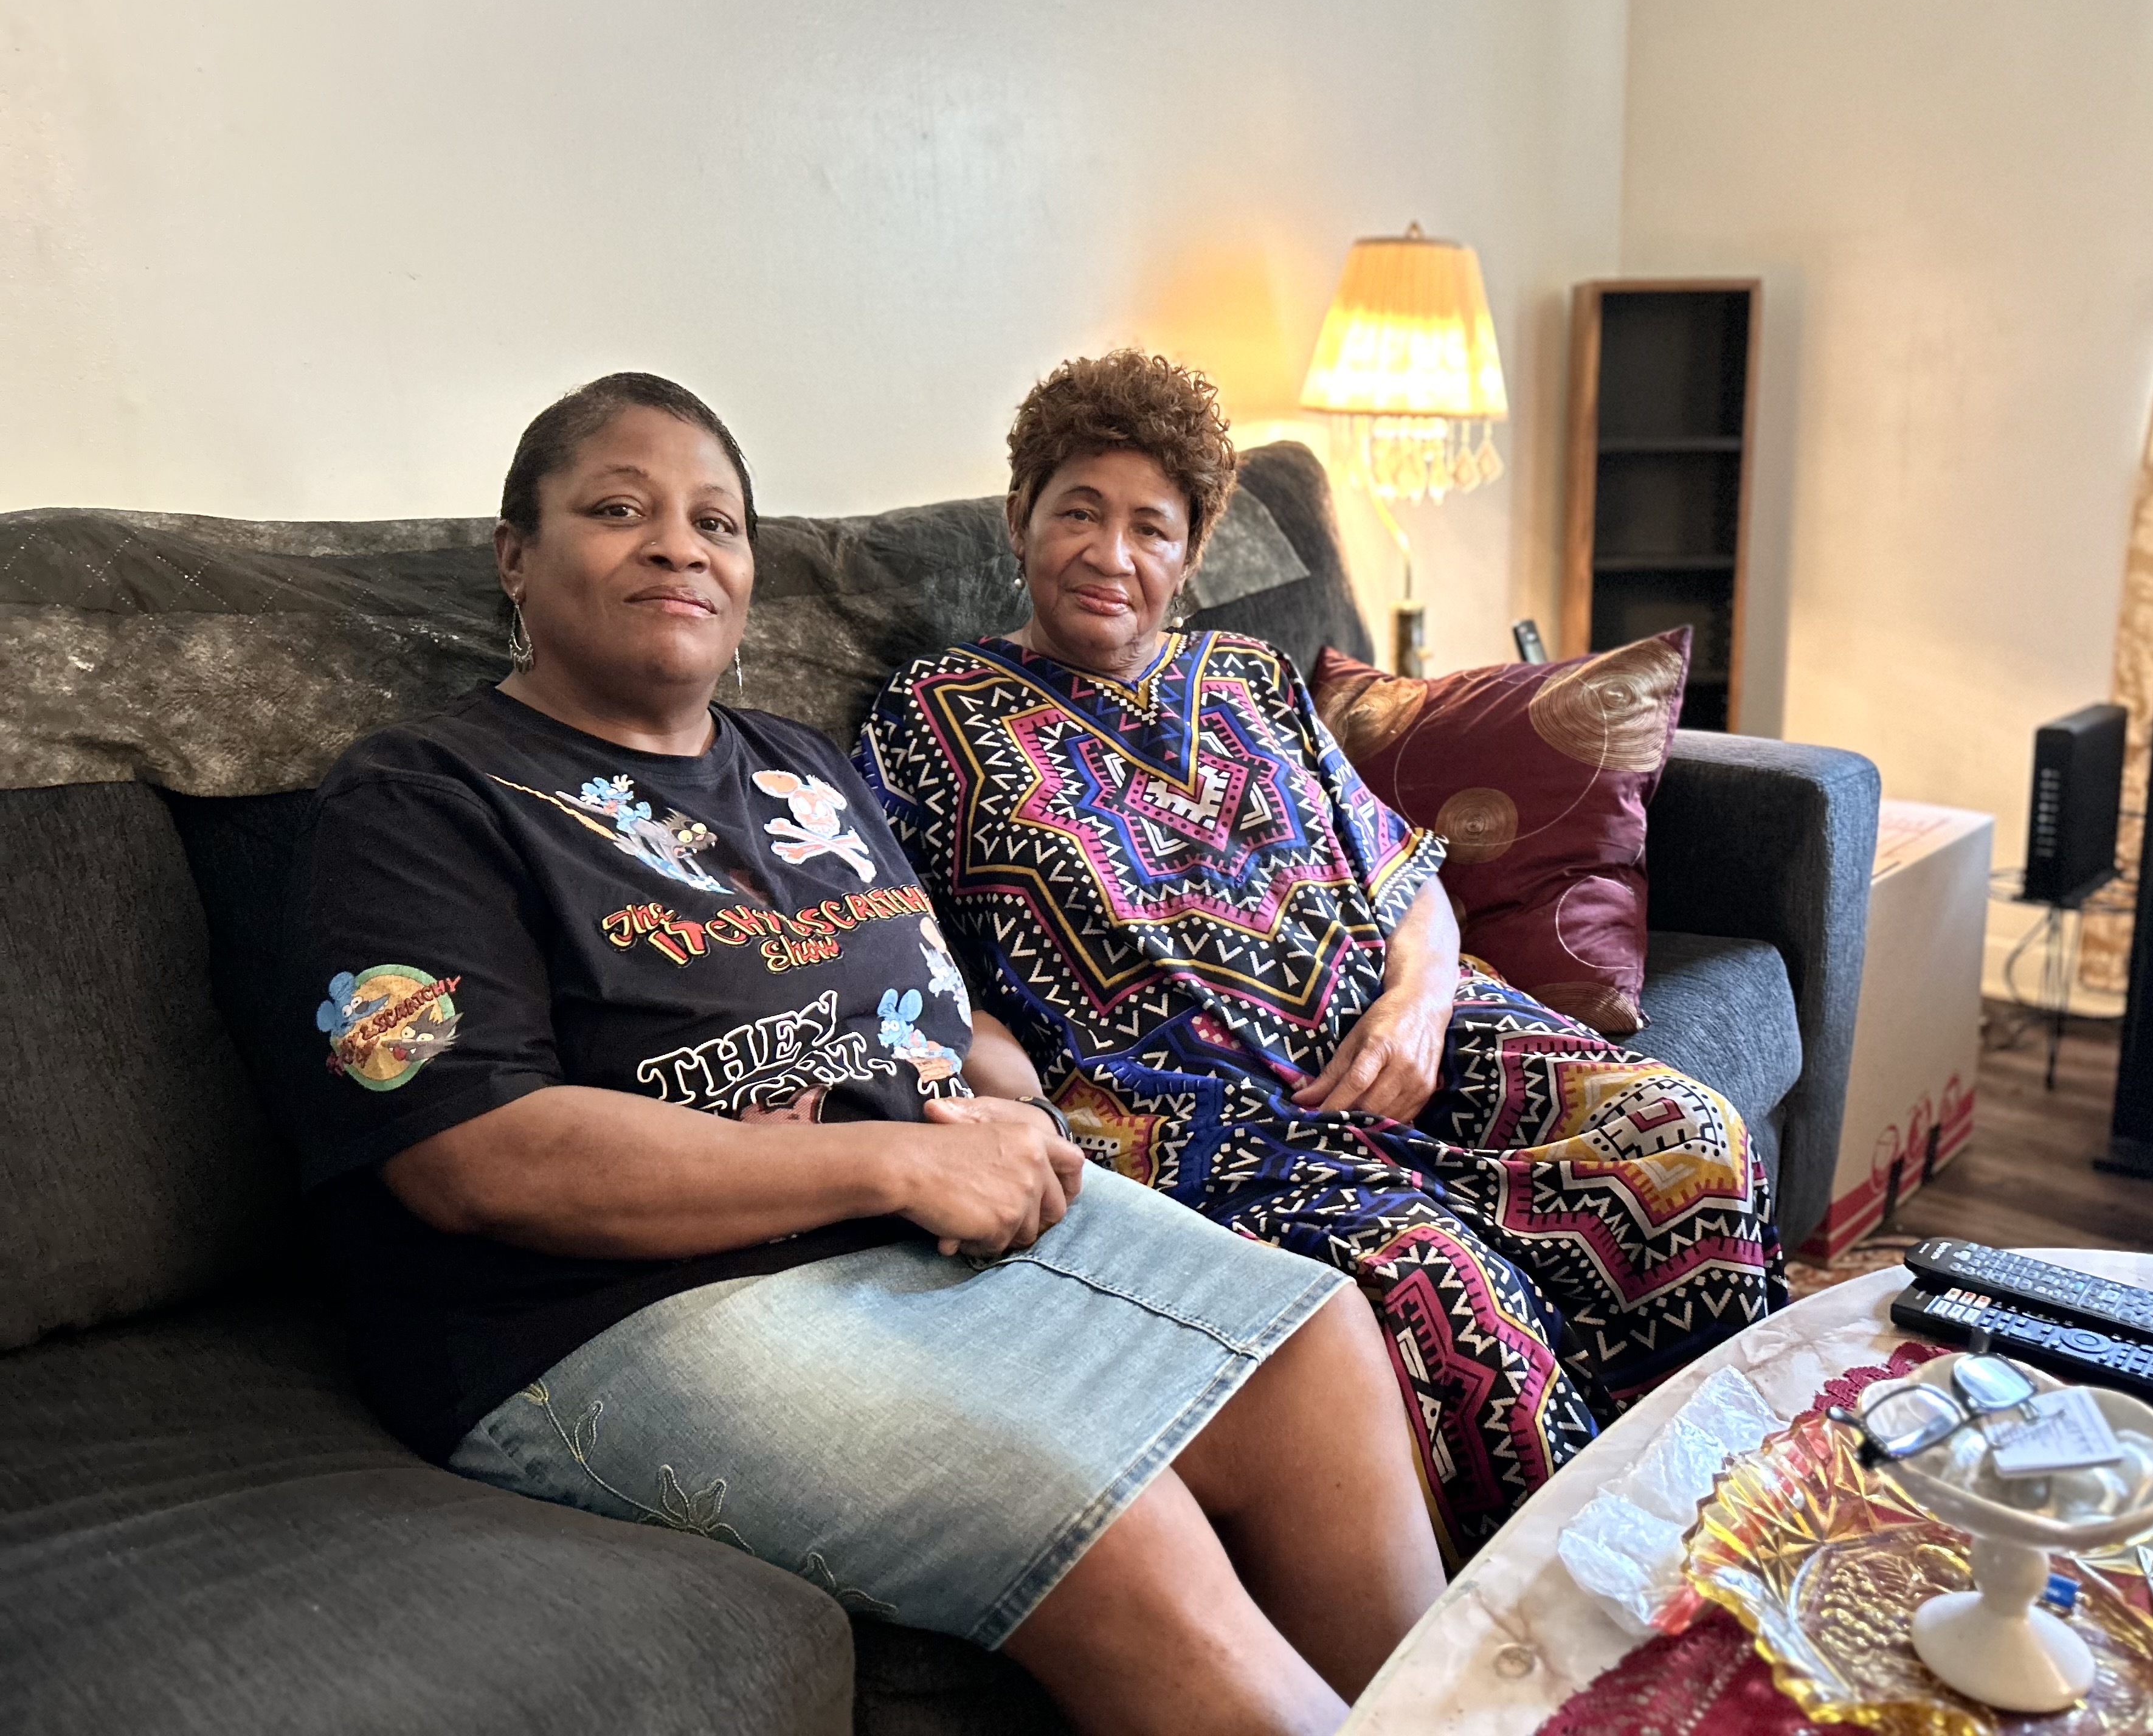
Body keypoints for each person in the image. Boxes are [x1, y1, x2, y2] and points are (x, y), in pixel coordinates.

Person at [276, 372, 1443, 1736]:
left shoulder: (801, 770)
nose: (678, 544)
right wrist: (885, 1157)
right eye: (618, 509)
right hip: (609, 1312)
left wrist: (1005, 1100)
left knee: (1316, 1336)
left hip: (903, 1232)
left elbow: (932, 1015)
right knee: (1114, 1521)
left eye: (716, 522)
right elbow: (474, 1159)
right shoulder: (424, 795)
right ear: (515, 559)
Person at [858, 351, 1785, 1560]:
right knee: (1452, 1303)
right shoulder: (937, 709)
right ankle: (1566, 1618)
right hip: (1194, 1114)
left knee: (1684, 1143)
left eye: (1151, 525)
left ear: (1188, 557)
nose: (1110, 552)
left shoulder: (1247, 678)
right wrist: (1002, 1093)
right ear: (1021, 518)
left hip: (1412, 1036)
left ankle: (1721, 1518)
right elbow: (901, 954)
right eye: (1078, 509)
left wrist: (1417, 1003)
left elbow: (1410, 874)